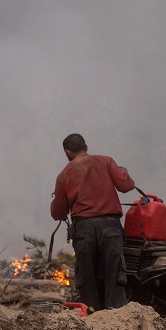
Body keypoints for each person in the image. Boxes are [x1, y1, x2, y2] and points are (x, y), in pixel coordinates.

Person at [50, 133, 135, 311]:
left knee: (87, 280)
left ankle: (90, 320)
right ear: (86, 147)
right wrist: (124, 172)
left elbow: (58, 212)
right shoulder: (106, 161)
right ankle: (117, 318)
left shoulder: (64, 174)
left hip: (84, 231)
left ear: (68, 152)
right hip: (110, 228)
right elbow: (126, 186)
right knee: (114, 276)